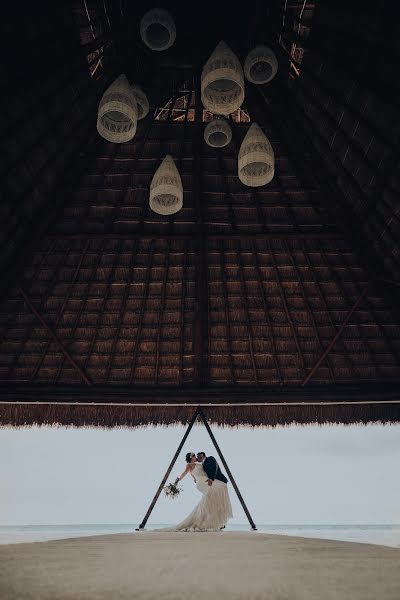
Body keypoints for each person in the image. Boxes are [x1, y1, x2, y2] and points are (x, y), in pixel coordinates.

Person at [156, 451, 233, 532]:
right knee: (218, 487)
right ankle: (209, 518)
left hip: (206, 480)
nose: (196, 457)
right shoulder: (189, 465)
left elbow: (201, 473)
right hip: (202, 482)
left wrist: (198, 479)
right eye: (194, 456)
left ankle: (211, 519)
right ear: (191, 457)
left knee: (212, 497)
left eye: (196, 456)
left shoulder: (201, 464)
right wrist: (177, 480)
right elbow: (185, 473)